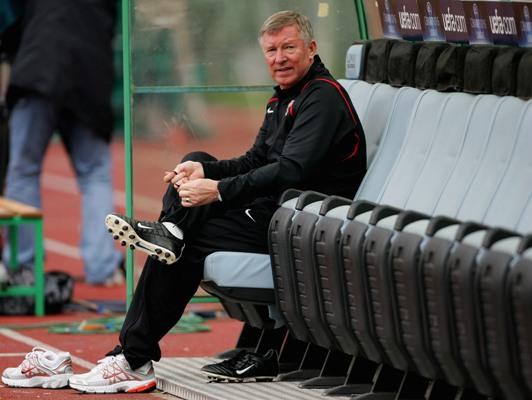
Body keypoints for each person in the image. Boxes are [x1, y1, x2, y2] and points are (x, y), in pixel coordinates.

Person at [2, 10, 367, 393]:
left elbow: (291, 170)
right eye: (272, 50)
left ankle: (133, 355)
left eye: (289, 48)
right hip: (276, 212)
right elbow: (255, 161)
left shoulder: (322, 98)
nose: (279, 58)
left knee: (186, 244)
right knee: (197, 160)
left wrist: (218, 190)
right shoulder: (284, 99)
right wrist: (203, 172)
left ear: (311, 48)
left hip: (303, 224)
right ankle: (166, 244)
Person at [1, 0, 123, 285]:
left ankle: (21, 267)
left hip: (38, 66)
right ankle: (103, 267)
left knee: (24, 169)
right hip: (89, 72)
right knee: (95, 174)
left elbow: (9, 16)